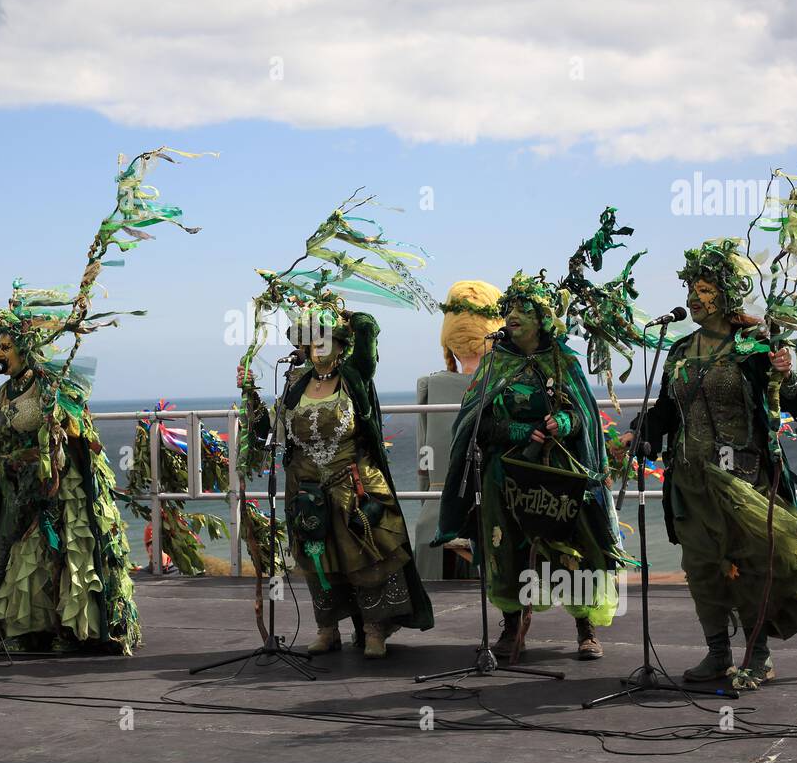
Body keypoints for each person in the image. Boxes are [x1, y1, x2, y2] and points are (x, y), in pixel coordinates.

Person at [621, 239, 797, 689]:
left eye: (704, 289)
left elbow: (792, 394)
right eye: (691, 288)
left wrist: (784, 372)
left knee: (749, 568)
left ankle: (757, 655)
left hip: (743, 479)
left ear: (727, 295)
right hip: (689, 481)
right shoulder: (679, 350)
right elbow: (667, 411)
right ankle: (717, 655)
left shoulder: (752, 347)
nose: (694, 297)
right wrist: (639, 432)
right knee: (702, 569)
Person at [435, 271, 623, 661]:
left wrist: (566, 422)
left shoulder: (564, 361)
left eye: (524, 309)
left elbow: (584, 416)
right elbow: (475, 424)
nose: (513, 316)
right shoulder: (494, 364)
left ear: (542, 318)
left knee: (574, 547)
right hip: (504, 475)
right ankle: (510, 627)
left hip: (559, 474)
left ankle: (585, 627)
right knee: (505, 549)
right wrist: (515, 429)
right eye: (510, 309)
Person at [239, 305, 434, 658]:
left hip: (353, 484)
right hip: (306, 490)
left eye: (325, 339)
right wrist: (250, 393)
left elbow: (369, 329)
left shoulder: (354, 376)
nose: (317, 347)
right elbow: (270, 433)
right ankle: (327, 630)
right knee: (318, 559)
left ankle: (374, 630)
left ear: (342, 345)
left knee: (367, 556)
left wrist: (344, 314)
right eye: (311, 341)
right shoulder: (295, 385)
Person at [0, 309, 141, 655]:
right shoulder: (4, 392)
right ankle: (24, 629)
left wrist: (58, 424)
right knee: (11, 553)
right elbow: (2, 440)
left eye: (6, 347)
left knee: (56, 551)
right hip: (17, 484)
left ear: (24, 347)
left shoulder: (51, 385)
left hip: (55, 481)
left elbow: (80, 430)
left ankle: (66, 630)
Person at [415, 281, 503, 580]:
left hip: (437, 510)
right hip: (493, 505)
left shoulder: (430, 386)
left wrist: (426, 498)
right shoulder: (505, 383)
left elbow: (424, 459)